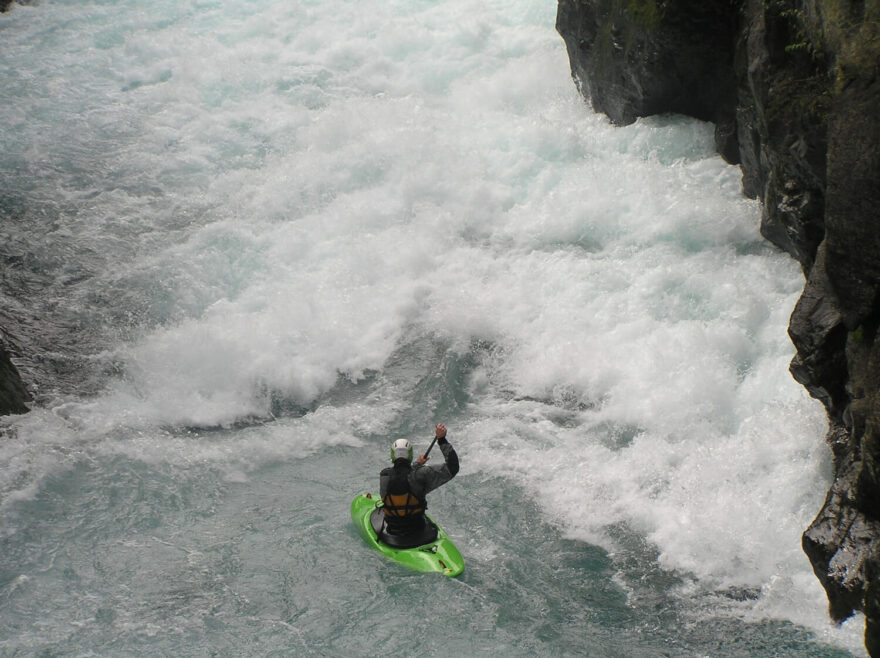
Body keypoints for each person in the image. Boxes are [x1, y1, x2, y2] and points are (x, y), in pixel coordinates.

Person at [378, 423, 459, 547]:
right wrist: (442, 440)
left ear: (392, 455)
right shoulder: (422, 475)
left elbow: (402, 476)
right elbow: (453, 467)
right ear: (410, 455)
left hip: (393, 533)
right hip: (419, 533)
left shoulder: (384, 476)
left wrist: (417, 464)